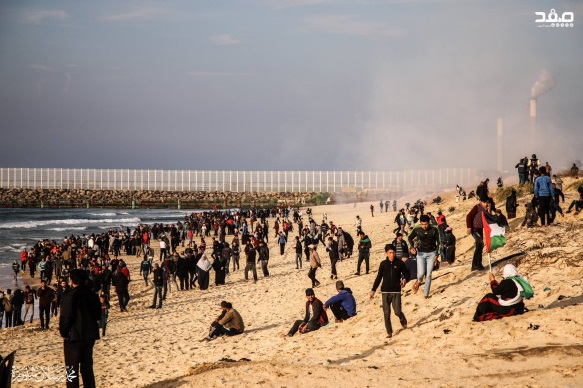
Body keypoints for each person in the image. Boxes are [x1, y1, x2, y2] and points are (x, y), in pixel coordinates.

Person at [59, 269, 101, 388]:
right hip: (90, 335)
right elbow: (98, 314)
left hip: (74, 337)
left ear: (72, 281)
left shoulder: (71, 296)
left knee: (72, 369)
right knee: (87, 367)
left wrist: (64, 332)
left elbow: (65, 317)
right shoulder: (92, 295)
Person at [370, 244, 409, 338]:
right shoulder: (383, 264)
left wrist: (404, 280)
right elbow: (379, 277)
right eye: (390, 252)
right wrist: (373, 290)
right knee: (386, 313)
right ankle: (389, 332)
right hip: (385, 291)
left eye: (393, 252)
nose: (392, 254)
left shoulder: (399, 263)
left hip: (396, 291)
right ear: (386, 253)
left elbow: (407, 274)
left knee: (397, 311)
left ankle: (401, 317)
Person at [408, 214, 441, 298]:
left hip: (432, 253)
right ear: (420, 223)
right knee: (421, 273)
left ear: (429, 223)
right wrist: (412, 247)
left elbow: (439, 242)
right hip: (420, 254)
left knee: (429, 274)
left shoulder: (434, 228)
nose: (424, 226)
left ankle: (426, 294)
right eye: (422, 224)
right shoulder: (417, 229)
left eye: (426, 224)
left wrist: (437, 254)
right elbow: (409, 237)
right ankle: (418, 281)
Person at [466, 196, 490, 271]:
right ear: (482, 202)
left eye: (487, 203)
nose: (487, 204)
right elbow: (469, 216)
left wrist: (489, 210)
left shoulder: (485, 209)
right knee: (480, 244)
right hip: (474, 229)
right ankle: (478, 264)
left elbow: (488, 218)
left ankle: (474, 265)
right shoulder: (477, 207)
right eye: (486, 203)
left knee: (479, 246)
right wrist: (469, 227)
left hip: (480, 229)